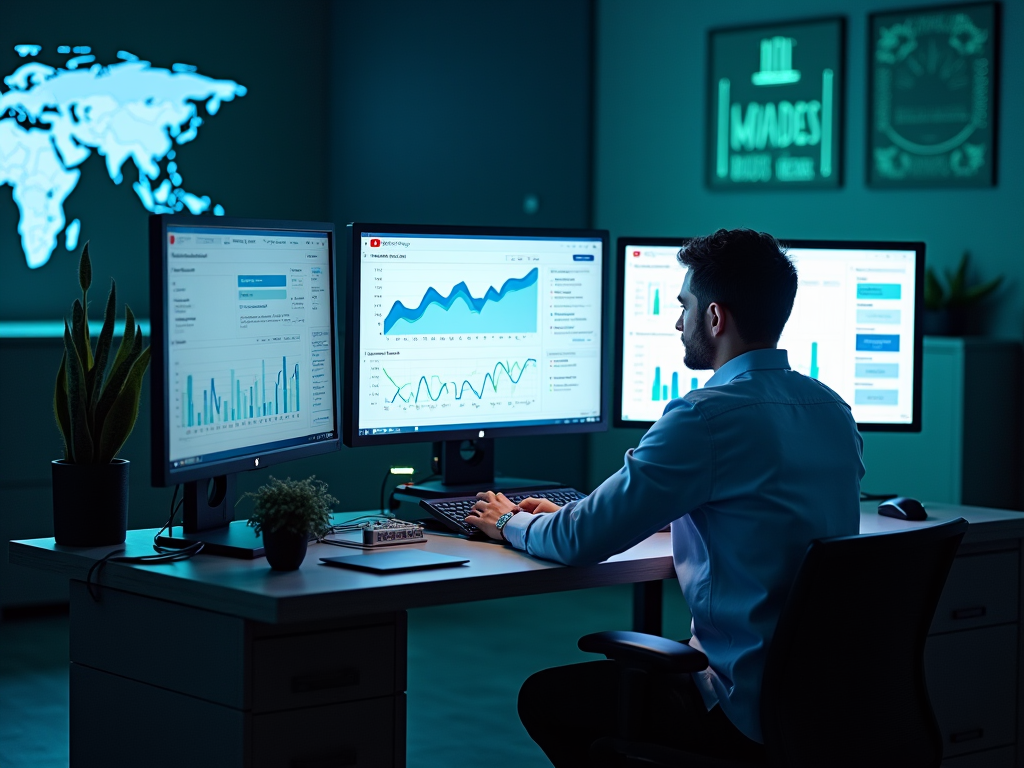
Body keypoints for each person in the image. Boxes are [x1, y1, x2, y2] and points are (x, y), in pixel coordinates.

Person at [467, 228, 865, 766]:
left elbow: (582, 541)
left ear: (715, 318)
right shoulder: (832, 411)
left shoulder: (704, 418)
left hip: (737, 711)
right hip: (823, 707)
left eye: (684, 307)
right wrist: (577, 513)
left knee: (545, 698)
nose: (678, 323)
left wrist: (510, 520)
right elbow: (754, 512)